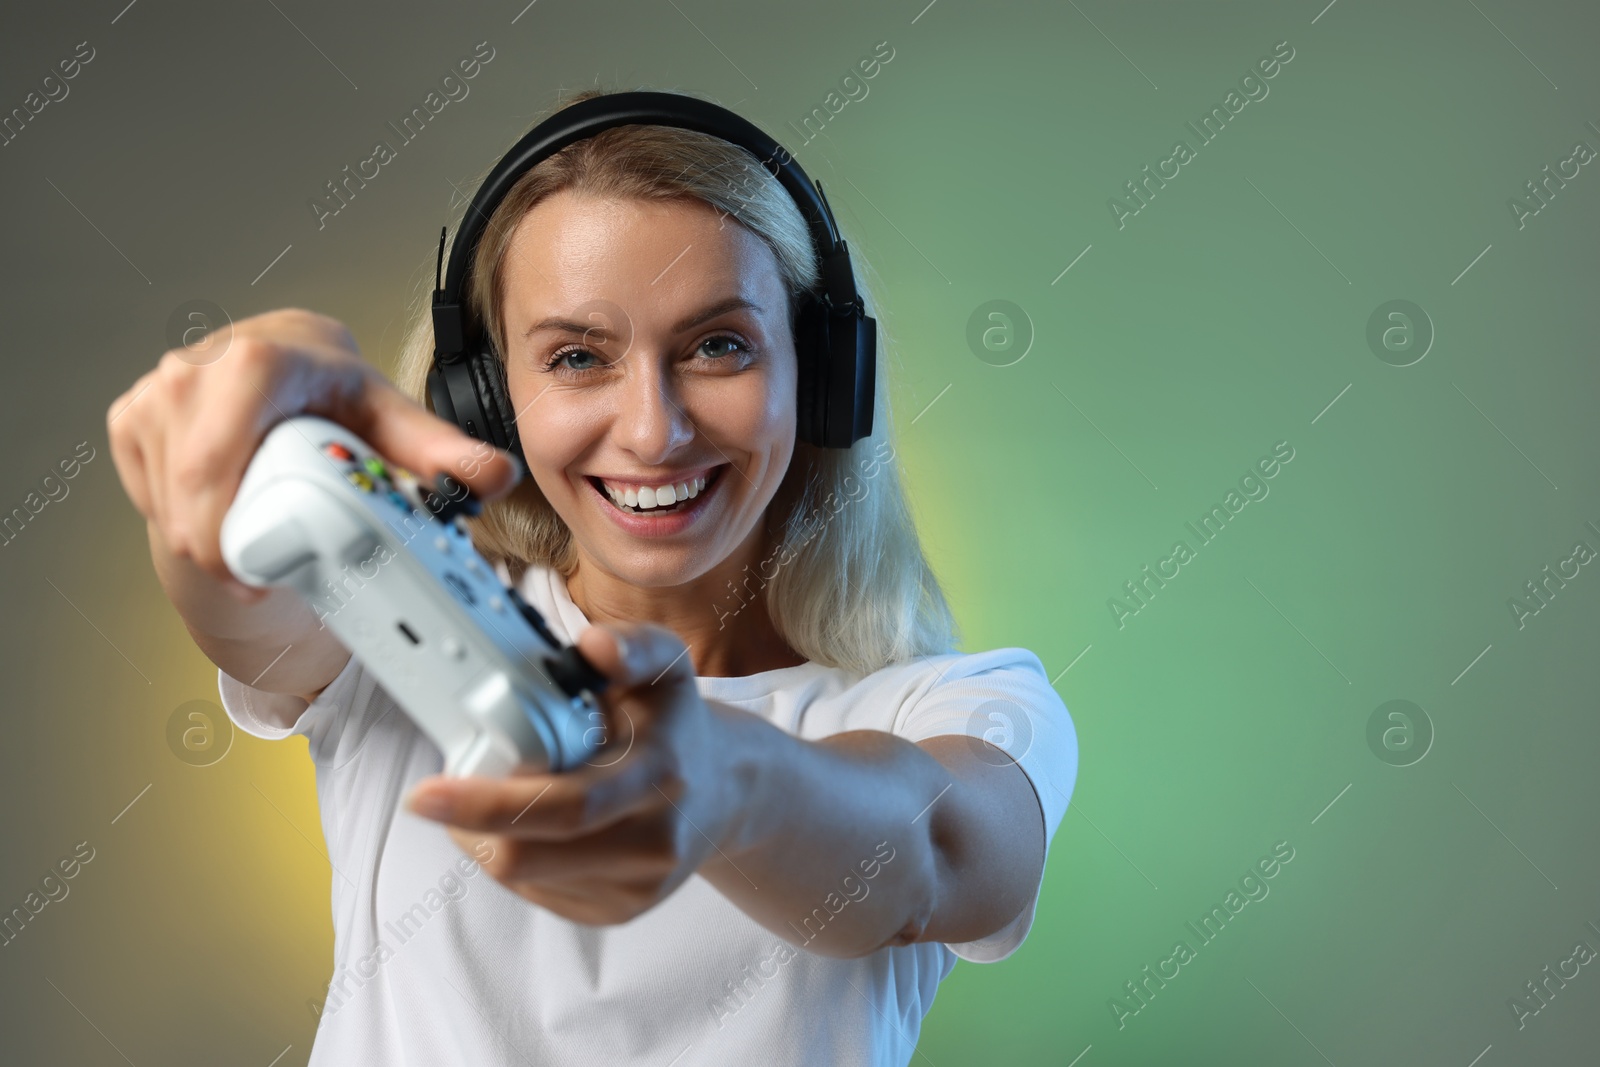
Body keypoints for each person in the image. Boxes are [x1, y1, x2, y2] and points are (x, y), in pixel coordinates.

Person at [106, 86, 1078, 1066]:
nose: (653, 430)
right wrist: (239, 456)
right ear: (486, 399)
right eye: (576, 356)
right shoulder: (408, 609)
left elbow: (938, 855)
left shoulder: (965, 705)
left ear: (821, 373)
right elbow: (236, 591)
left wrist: (725, 781)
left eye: (718, 345)